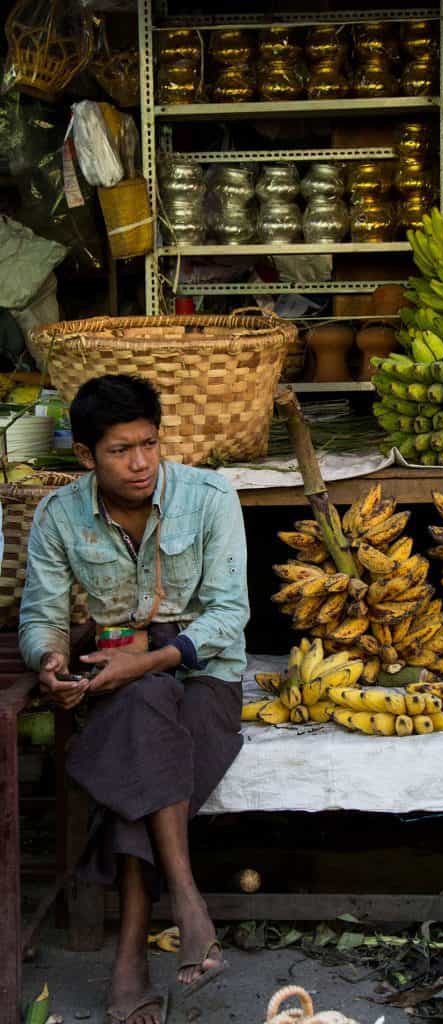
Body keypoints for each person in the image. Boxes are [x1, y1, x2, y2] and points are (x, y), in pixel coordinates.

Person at [19, 374, 250, 1024]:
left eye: (149, 443)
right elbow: (41, 615)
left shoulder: (207, 497)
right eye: (121, 449)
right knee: (141, 705)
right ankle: (187, 900)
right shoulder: (58, 516)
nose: (142, 462)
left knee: (143, 702)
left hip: (203, 675)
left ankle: (131, 951)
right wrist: (52, 661)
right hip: (114, 677)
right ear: (86, 456)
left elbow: (229, 614)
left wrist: (146, 661)